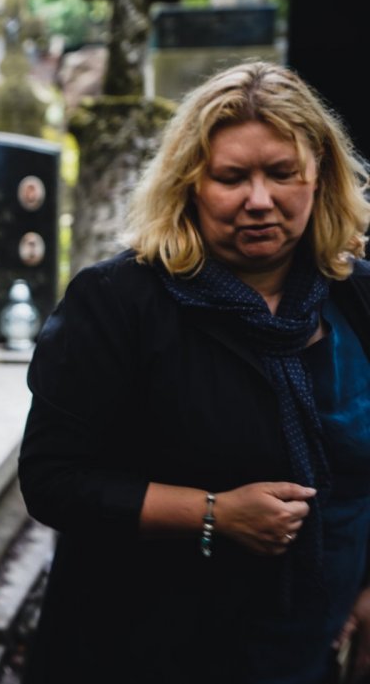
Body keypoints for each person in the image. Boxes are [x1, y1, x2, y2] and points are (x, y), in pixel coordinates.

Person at [19, 61, 370, 684]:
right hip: (147, 647)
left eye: (282, 173)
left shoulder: (355, 295)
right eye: (231, 178)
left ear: (319, 175)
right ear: (189, 184)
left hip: (310, 644)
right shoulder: (119, 302)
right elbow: (53, 479)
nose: (258, 200)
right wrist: (214, 512)